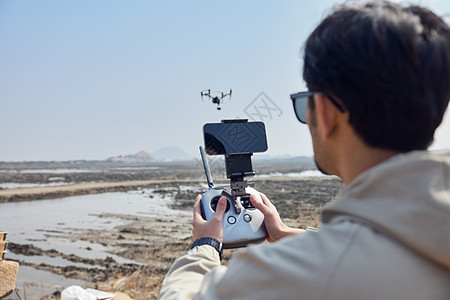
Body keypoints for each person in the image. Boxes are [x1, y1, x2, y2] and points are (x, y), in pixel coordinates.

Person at [158, 1, 450, 299]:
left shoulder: (297, 273)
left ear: (324, 112)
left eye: (304, 103)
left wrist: (203, 248)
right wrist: (285, 233)